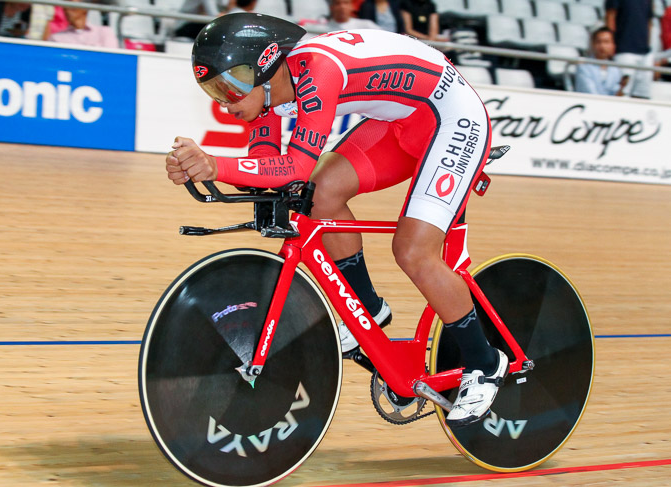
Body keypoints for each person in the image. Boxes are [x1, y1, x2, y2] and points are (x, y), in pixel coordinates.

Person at [165, 13, 508, 427]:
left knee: (413, 251)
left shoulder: (318, 72)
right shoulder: (268, 93)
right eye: (213, 88)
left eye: (230, 85)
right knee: (321, 194)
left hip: (452, 118)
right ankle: (367, 308)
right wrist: (201, 167)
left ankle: (485, 363)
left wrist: (214, 164)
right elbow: (265, 166)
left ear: (264, 65)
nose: (224, 100)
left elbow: (292, 166)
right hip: (398, 122)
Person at [605, 0, 654, 98]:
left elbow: (649, 22)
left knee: (642, 94)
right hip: (623, 50)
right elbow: (611, 16)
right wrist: (612, 43)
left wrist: (647, 45)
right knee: (623, 92)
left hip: (644, 52)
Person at [575, 26, 627, 96]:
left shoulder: (616, 69)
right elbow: (589, 92)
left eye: (606, 42)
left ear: (613, 45)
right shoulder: (583, 66)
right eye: (598, 42)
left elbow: (616, 93)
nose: (602, 46)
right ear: (593, 44)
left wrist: (622, 89)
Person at [49, 0, 117, 48]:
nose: (66, 9)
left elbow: (110, 60)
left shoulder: (105, 32)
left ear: (85, 7)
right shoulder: (56, 38)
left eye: (71, 5)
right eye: (65, 5)